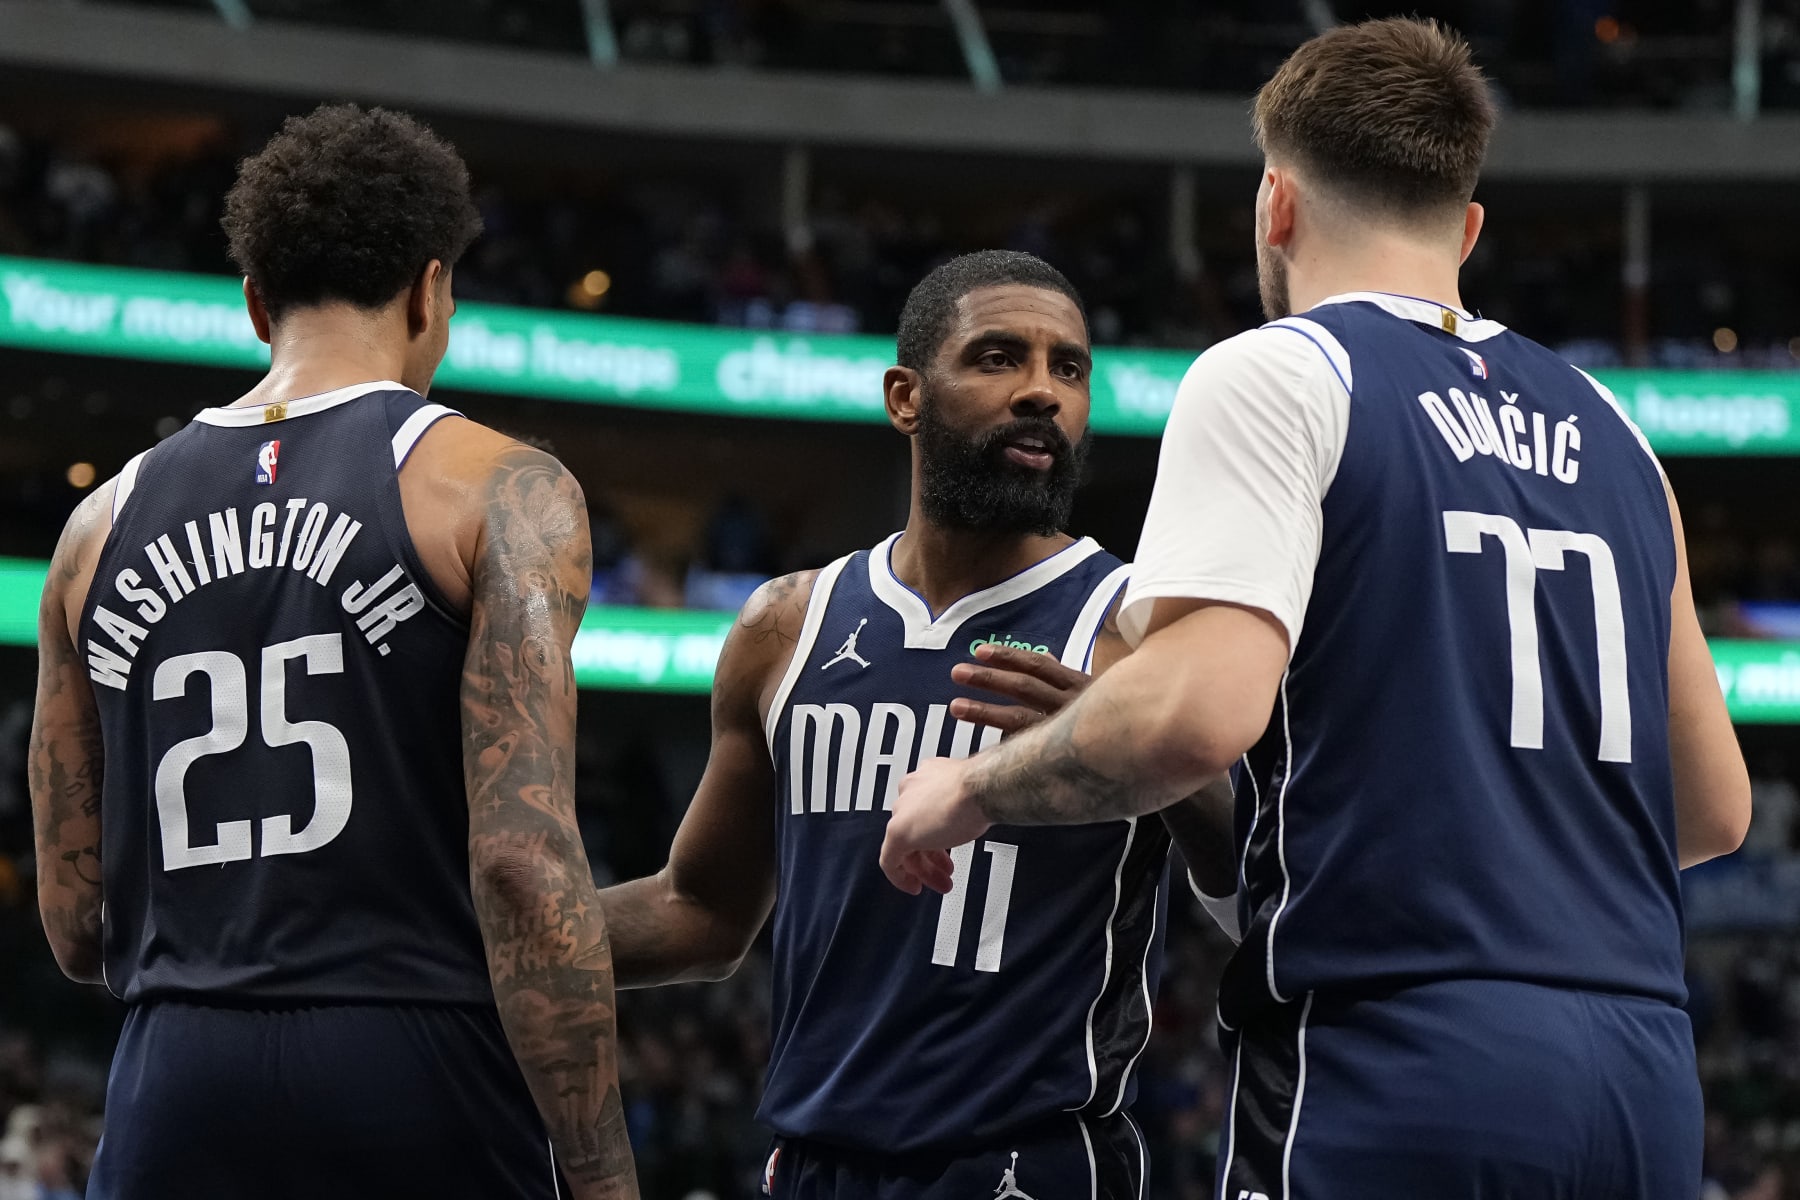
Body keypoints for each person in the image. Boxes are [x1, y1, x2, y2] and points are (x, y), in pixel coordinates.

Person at [881, 19, 1751, 1200]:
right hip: (1642, 1077)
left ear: (1275, 205)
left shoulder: (1282, 369)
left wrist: (969, 788)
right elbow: (1709, 807)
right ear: (1469, 224)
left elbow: (1195, 719)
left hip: (1400, 1054)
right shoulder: (1616, 428)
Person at [28, 104, 636, 1199]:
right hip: (412, 1059)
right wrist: (600, 1175)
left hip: (173, 1068)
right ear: (431, 289)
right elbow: (521, 864)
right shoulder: (502, 490)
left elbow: (75, 927)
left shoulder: (94, 530)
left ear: (256, 301)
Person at [598, 250, 1232, 1198]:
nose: (1040, 393)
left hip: (1033, 1164)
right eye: (997, 358)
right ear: (905, 395)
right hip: (813, 1166)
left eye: (1069, 368)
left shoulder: (1139, 628)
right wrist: (466, 938)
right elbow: (701, 912)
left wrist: (1146, 758)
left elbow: (1260, 886)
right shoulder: (785, 625)